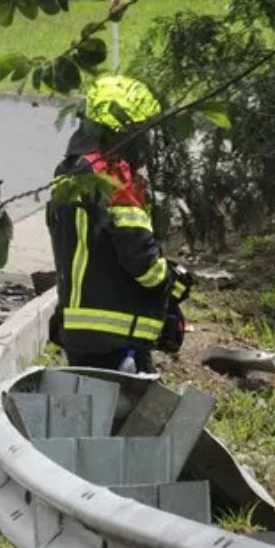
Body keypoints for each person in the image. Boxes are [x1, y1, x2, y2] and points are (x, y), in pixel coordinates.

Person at [47, 74, 191, 375]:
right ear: (122, 131)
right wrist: (175, 284)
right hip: (118, 334)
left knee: (91, 418)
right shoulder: (115, 178)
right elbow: (141, 261)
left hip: (79, 328)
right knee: (128, 420)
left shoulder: (70, 172)